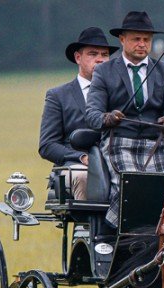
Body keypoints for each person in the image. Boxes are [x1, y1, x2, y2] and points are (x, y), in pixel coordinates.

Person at [85, 11, 164, 227]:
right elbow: (92, 114)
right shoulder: (104, 71)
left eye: (146, 40)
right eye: (136, 39)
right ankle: (126, 235)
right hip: (119, 143)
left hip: (157, 144)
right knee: (131, 189)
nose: (142, 44)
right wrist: (109, 118)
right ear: (122, 40)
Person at [39, 27, 118, 200]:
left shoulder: (120, 93)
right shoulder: (58, 96)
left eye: (104, 55)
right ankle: (88, 226)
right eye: (92, 54)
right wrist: (81, 157)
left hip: (115, 162)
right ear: (78, 57)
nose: (100, 60)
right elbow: (47, 145)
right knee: (85, 177)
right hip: (75, 166)